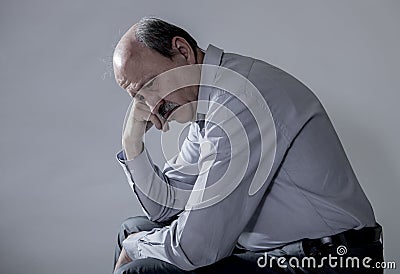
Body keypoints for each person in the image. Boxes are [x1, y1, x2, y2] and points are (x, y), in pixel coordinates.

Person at [112, 17, 383, 274]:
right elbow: (166, 206)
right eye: (139, 98)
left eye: (151, 85)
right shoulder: (208, 102)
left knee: (141, 267)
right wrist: (132, 143)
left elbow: (197, 248)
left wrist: (136, 246)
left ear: (182, 51)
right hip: (283, 253)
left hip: (331, 260)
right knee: (131, 229)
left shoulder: (238, 101)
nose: (152, 107)